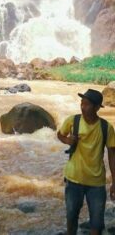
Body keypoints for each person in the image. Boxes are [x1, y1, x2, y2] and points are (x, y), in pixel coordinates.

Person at [57, 89, 115, 235]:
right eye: (82, 103)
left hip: (96, 182)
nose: (83, 107)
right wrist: (67, 140)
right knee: (71, 218)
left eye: (87, 104)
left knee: (97, 223)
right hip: (73, 178)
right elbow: (60, 134)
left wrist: (114, 182)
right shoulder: (73, 121)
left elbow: (112, 155)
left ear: (96, 108)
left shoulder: (106, 128)